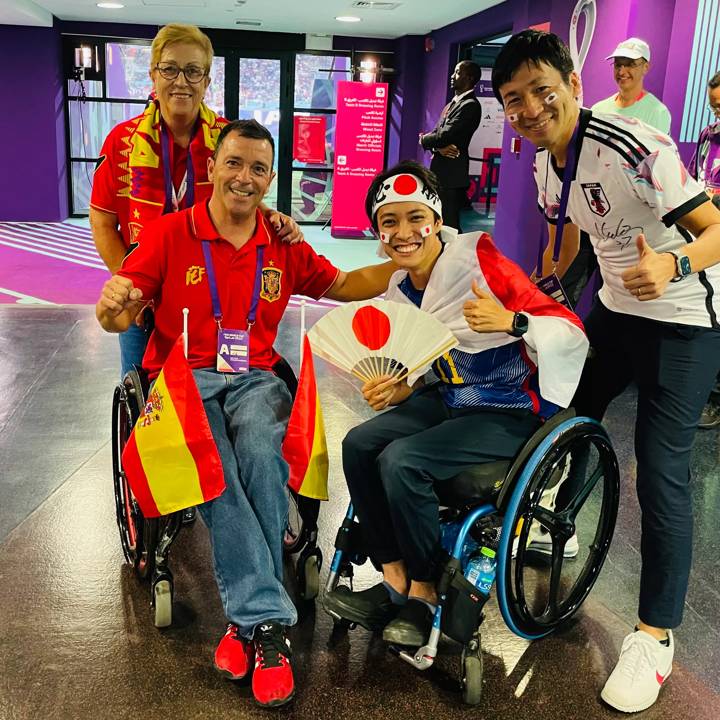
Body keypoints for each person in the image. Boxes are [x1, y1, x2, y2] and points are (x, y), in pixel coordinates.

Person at [95, 120, 398, 708]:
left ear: (270, 178)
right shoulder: (167, 234)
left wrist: (411, 260)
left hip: (255, 376)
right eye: (234, 162)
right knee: (215, 463)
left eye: (259, 168)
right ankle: (268, 623)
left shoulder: (281, 242)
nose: (245, 177)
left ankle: (247, 621)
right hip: (179, 379)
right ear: (212, 166)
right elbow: (119, 315)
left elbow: (344, 282)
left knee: (260, 448)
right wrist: (111, 307)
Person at [492, 29, 720, 713]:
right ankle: (556, 527)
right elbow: (595, 237)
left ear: (573, 85)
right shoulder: (542, 162)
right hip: (619, 311)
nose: (531, 108)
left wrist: (671, 264)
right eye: (514, 100)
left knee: (660, 465)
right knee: (565, 417)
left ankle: (655, 634)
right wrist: (557, 289)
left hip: (684, 317)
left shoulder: (635, 145)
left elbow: (715, 230)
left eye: (542, 90)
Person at [323, 161, 588, 646]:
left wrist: (514, 322)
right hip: (447, 399)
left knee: (403, 461)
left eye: (414, 217)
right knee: (360, 443)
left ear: (437, 219)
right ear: (377, 232)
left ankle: (425, 594)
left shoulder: (479, 260)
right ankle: (394, 577)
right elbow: (422, 358)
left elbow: (567, 327)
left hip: (508, 410)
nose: (404, 232)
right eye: (389, 221)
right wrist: (400, 389)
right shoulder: (399, 289)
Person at [90, 23, 302, 377]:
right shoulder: (122, 142)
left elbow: (242, 194)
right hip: (143, 289)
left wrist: (274, 216)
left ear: (206, 80)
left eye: (193, 71)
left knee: (214, 391)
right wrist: (131, 287)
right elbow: (102, 221)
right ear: (153, 75)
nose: (181, 82)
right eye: (170, 69)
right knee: (145, 398)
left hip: (203, 293)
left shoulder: (225, 139)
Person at [688, 71, 720, 429]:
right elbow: (695, 176)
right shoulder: (707, 135)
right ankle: (708, 395)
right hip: (707, 237)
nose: (716, 114)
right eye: (713, 106)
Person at [419, 61, 482, 232]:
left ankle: (453, 257)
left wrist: (424, 140)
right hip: (440, 173)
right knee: (438, 221)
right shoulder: (453, 104)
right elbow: (438, 134)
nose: (452, 76)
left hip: (452, 175)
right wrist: (436, 147)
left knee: (449, 226)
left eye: (457, 72)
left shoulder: (470, 106)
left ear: (469, 78)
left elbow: (444, 135)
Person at [591, 38, 671, 133]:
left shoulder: (658, 113)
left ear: (645, 67)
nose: (621, 72)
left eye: (630, 65)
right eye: (618, 65)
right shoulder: (598, 110)